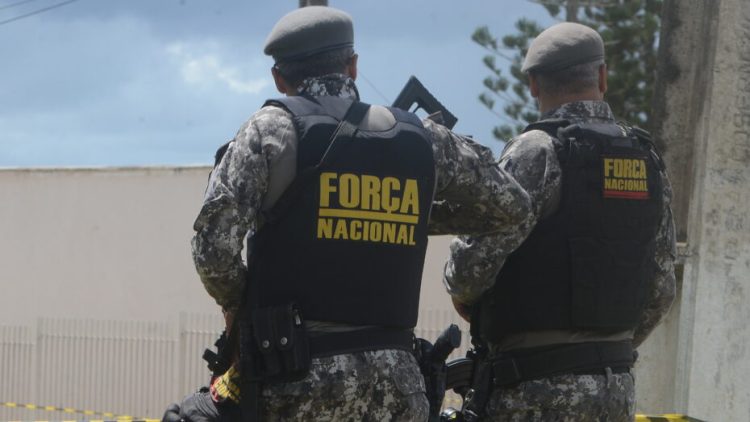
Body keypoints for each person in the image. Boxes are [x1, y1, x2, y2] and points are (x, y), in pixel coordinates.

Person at [162, 6, 531, 422]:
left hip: (295, 382)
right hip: (398, 389)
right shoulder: (424, 137)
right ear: (353, 66)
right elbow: (513, 207)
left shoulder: (270, 131)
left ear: (280, 79)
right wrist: (406, 215)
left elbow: (213, 249)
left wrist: (236, 307)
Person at [444, 22, 677, 421]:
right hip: (615, 390)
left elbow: (470, 269)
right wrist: (602, 344)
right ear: (602, 76)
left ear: (533, 84)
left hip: (534, 388)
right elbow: (661, 289)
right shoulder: (646, 159)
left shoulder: (538, 152)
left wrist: (464, 294)